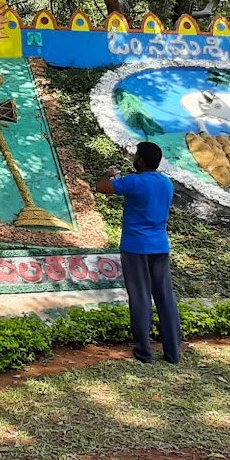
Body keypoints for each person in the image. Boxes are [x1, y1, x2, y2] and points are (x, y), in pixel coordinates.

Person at [95, 141, 182, 365]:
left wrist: (109, 173)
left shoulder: (134, 181)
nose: (134, 157)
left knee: (141, 297)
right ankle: (173, 353)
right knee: (166, 299)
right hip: (160, 246)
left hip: (135, 248)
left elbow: (102, 187)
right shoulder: (166, 183)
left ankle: (144, 352)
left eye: (136, 155)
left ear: (141, 159)